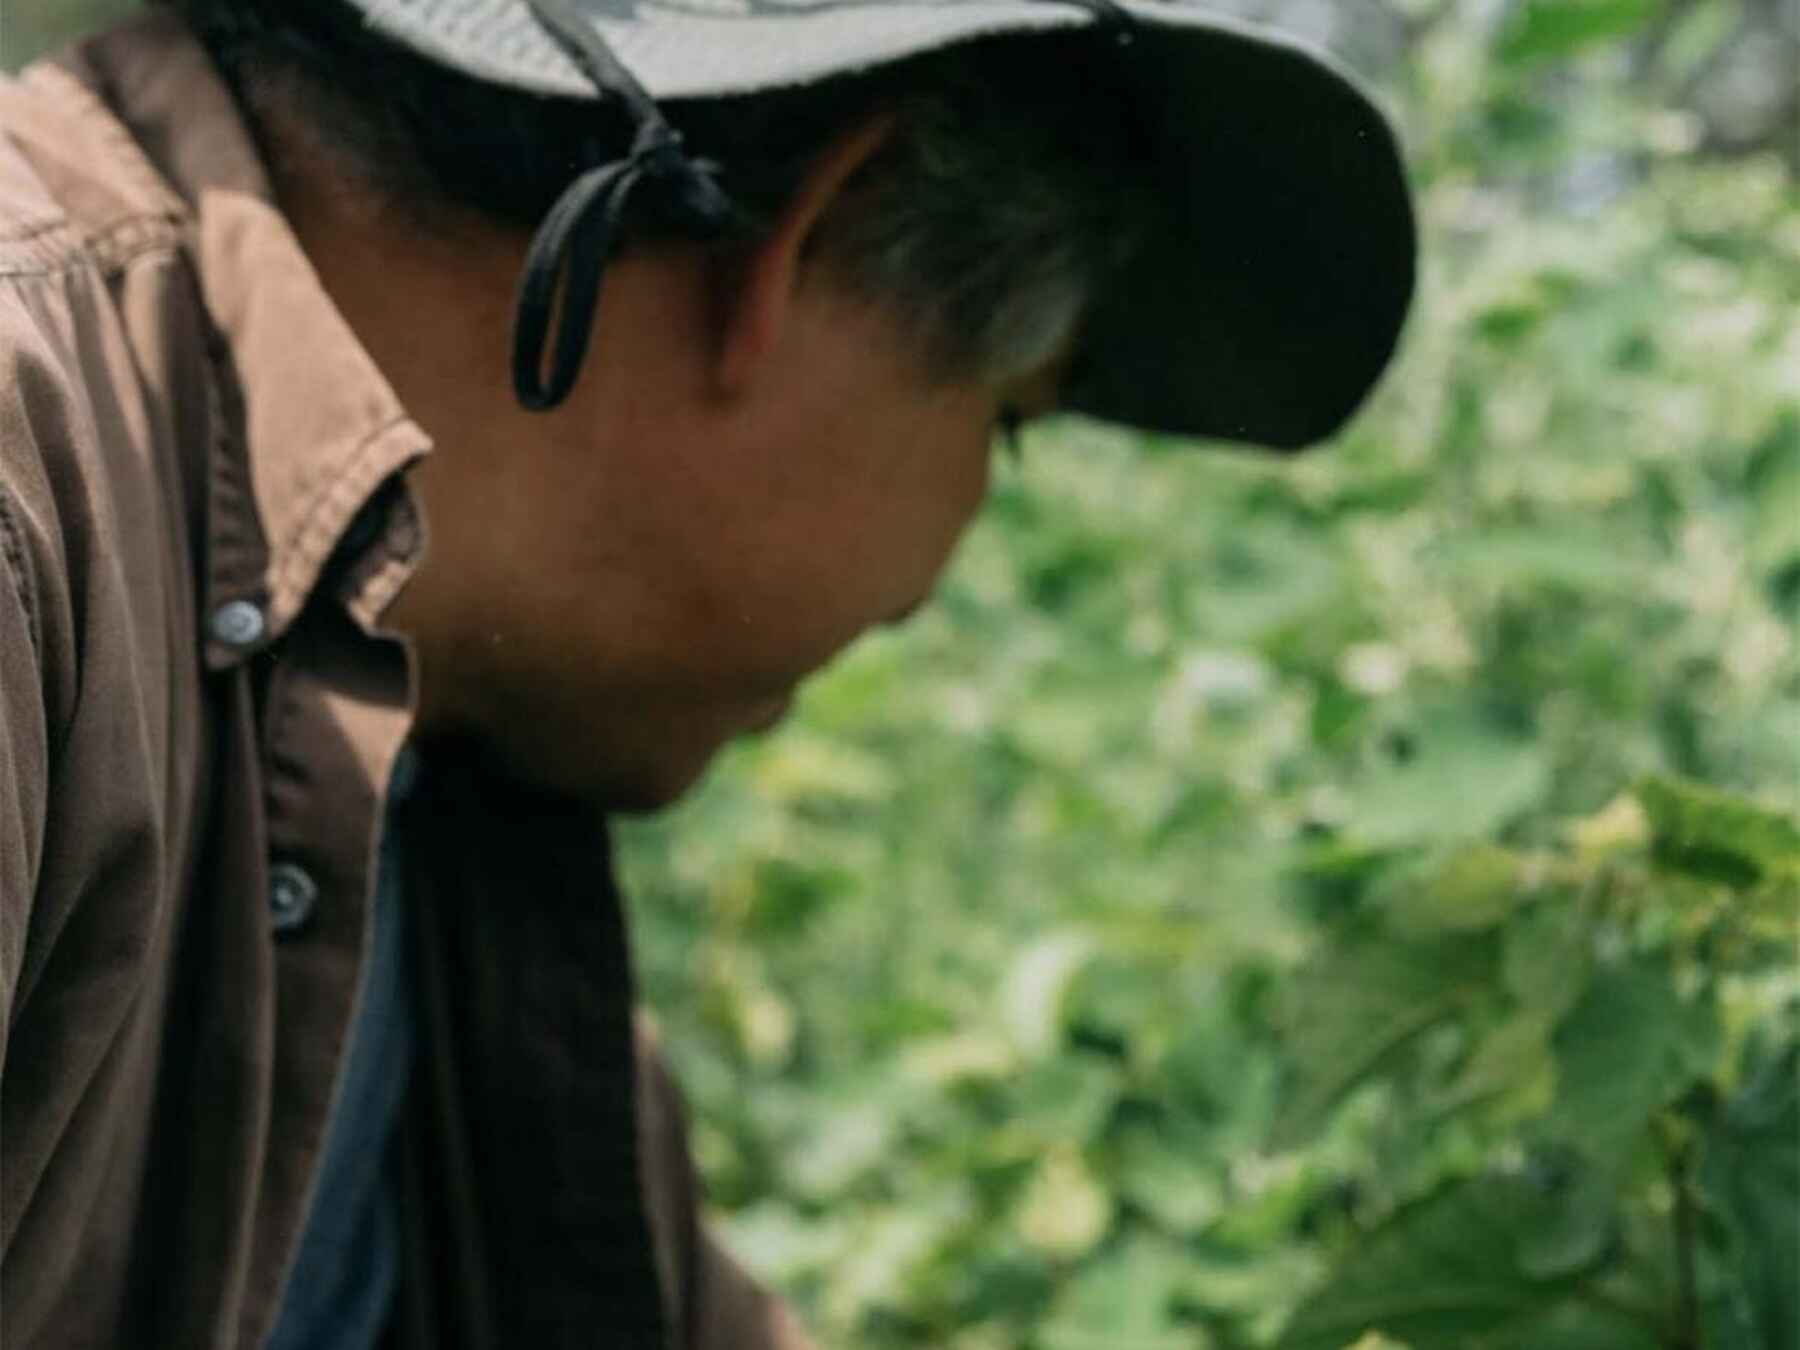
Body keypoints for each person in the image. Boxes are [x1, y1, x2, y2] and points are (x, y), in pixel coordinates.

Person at [0, 1, 1413, 1345]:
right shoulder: (29, 493)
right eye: (1011, 418)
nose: (946, 570)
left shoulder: (442, 762)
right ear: (807, 244)